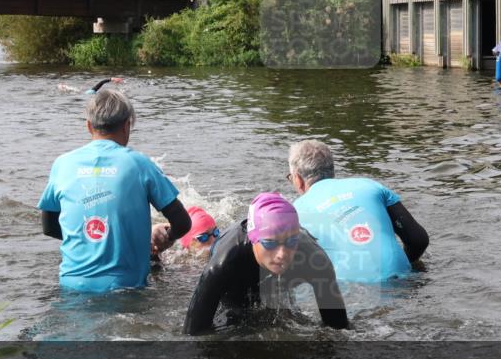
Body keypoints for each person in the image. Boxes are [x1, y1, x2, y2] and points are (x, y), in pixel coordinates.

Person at [38, 88, 191, 292]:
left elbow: (49, 227)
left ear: (89, 126)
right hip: (126, 287)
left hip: (71, 286)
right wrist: (165, 239)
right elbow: (182, 223)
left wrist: (92, 241)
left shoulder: (62, 164)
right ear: (127, 125)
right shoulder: (139, 164)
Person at [182, 192, 349, 335]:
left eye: (291, 242)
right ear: (254, 239)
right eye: (270, 243)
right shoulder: (224, 263)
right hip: (236, 284)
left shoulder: (315, 258)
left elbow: (339, 330)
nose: (282, 254)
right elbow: (194, 334)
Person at [288, 140, 429, 283]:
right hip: (402, 276)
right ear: (332, 170)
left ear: (298, 179)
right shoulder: (369, 185)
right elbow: (418, 240)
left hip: (352, 290)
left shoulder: (294, 212)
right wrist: (407, 264)